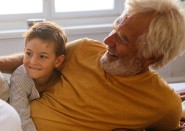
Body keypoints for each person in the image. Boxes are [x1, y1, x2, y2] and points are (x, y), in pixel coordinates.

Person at [0, 0, 185, 130]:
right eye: (114, 28)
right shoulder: (84, 49)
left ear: (151, 56)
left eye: (122, 39)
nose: (107, 40)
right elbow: (43, 57)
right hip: (14, 117)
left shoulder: (163, 104)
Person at [8, 22, 67, 131]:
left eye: (43, 56)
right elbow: (22, 120)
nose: (33, 62)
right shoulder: (19, 79)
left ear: (58, 61)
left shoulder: (63, 78)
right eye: (29, 54)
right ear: (24, 51)